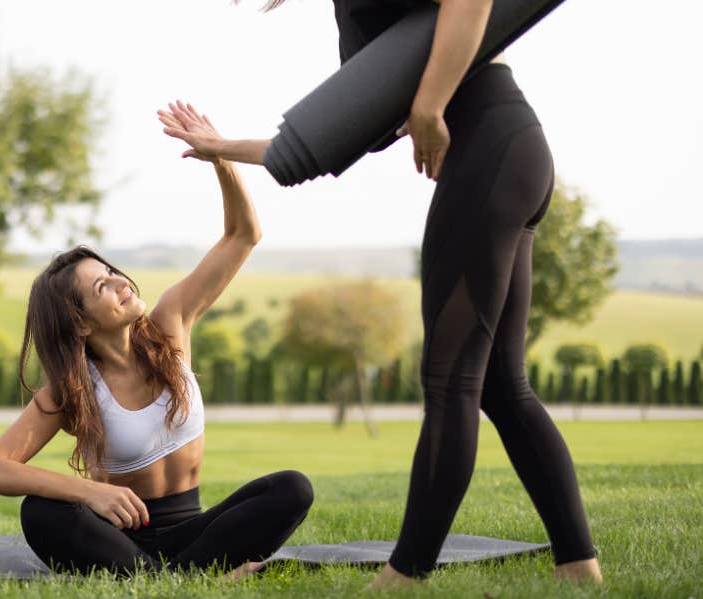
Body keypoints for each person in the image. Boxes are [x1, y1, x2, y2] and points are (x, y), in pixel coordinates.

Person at [160, 0, 602, 586]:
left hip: (490, 149)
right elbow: (330, 141)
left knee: (452, 382)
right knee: (500, 385)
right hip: (510, 148)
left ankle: (406, 572)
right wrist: (225, 146)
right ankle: (579, 567)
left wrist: (430, 104)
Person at [0, 105, 312, 577]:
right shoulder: (73, 389)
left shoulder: (170, 325)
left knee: (291, 488)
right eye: (100, 288)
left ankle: (168, 577)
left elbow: (242, 235)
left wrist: (220, 158)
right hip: (113, 540)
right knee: (40, 511)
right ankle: (190, 575)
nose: (119, 283)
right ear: (82, 324)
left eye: (111, 272)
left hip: (193, 529)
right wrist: (90, 491)